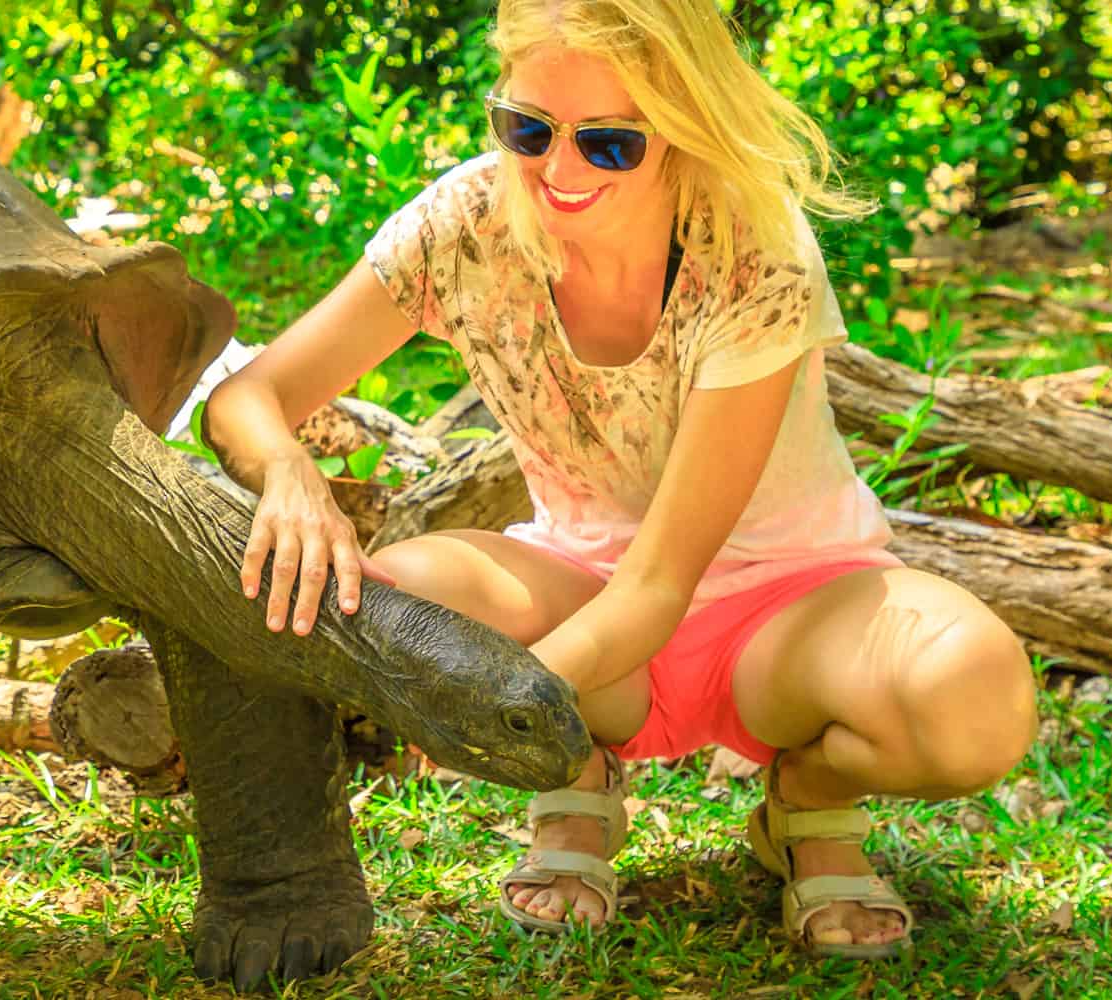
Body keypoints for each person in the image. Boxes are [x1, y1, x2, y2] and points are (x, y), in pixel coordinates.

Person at [198, 0, 1037, 959]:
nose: (555, 170)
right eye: (526, 129)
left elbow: (663, 584)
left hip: (789, 613)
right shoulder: (465, 225)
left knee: (977, 698)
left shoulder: (751, 248)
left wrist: (497, 698)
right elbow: (249, 396)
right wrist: (291, 474)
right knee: (390, 598)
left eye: (607, 144)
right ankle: (579, 772)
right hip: (584, 592)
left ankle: (811, 801)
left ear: (682, 126)